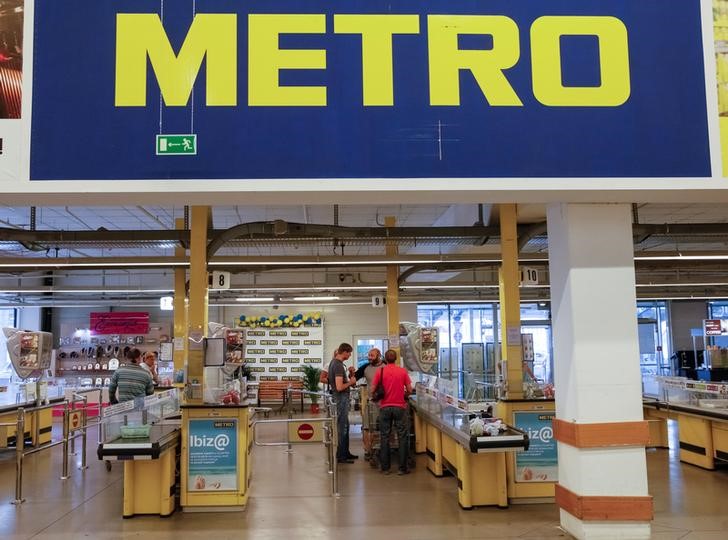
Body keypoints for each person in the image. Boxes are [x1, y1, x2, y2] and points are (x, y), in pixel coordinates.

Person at [371, 349, 412, 475]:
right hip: (400, 407)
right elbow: (409, 389)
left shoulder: (380, 371)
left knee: (384, 437)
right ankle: (402, 468)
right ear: (396, 359)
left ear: (385, 358)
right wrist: (403, 394)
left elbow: (373, 389)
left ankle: (385, 468)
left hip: (384, 408)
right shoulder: (402, 371)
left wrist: (377, 396)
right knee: (402, 437)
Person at [328, 342, 357, 463]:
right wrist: (351, 382)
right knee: (342, 426)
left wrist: (351, 375)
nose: (350, 355)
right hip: (341, 399)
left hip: (341, 398)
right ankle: (341, 456)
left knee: (345, 425)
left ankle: (345, 452)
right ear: (344, 352)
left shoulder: (335, 363)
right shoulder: (338, 365)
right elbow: (339, 387)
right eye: (349, 353)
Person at [355, 348, 383, 459]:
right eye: (369, 355)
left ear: (379, 355)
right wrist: (352, 373)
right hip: (372, 402)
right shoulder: (365, 367)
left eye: (372, 355)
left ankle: (383, 448)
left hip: (385, 403)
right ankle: (367, 450)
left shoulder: (386, 366)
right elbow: (353, 379)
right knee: (367, 427)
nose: (369, 357)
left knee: (384, 427)